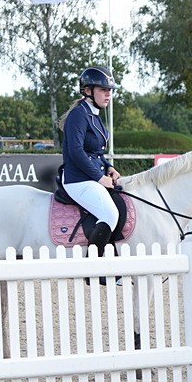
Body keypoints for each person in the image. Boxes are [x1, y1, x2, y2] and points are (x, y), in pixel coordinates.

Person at [59, 66, 121, 258]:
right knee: (110, 215)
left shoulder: (94, 115)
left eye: (110, 90)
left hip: (92, 177)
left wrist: (109, 167)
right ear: (87, 90)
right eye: (103, 90)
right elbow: (76, 152)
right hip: (77, 179)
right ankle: (92, 266)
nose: (108, 94)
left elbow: (96, 151)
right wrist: (99, 177)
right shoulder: (79, 115)